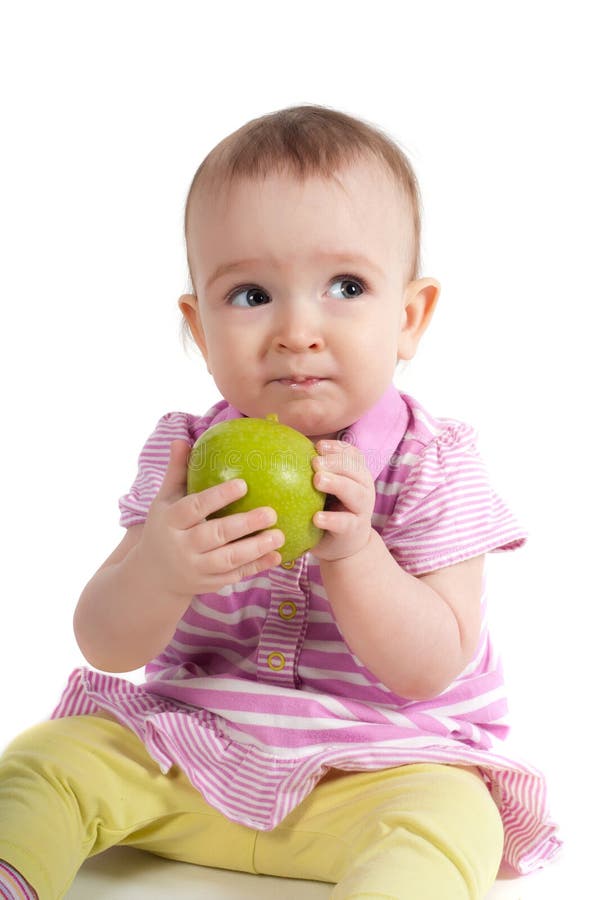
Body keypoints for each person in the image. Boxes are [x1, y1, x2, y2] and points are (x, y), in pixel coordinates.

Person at [0, 104, 561, 900]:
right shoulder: (188, 457)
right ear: (198, 326)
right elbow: (105, 644)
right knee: (48, 758)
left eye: (345, 286)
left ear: (409, 317)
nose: (298, 330)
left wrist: (358, 553)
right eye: (251, 294)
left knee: (451, 813)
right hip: (190, 758)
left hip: (376, 771)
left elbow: (433, 665)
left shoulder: (435, 463)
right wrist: (161, 567)